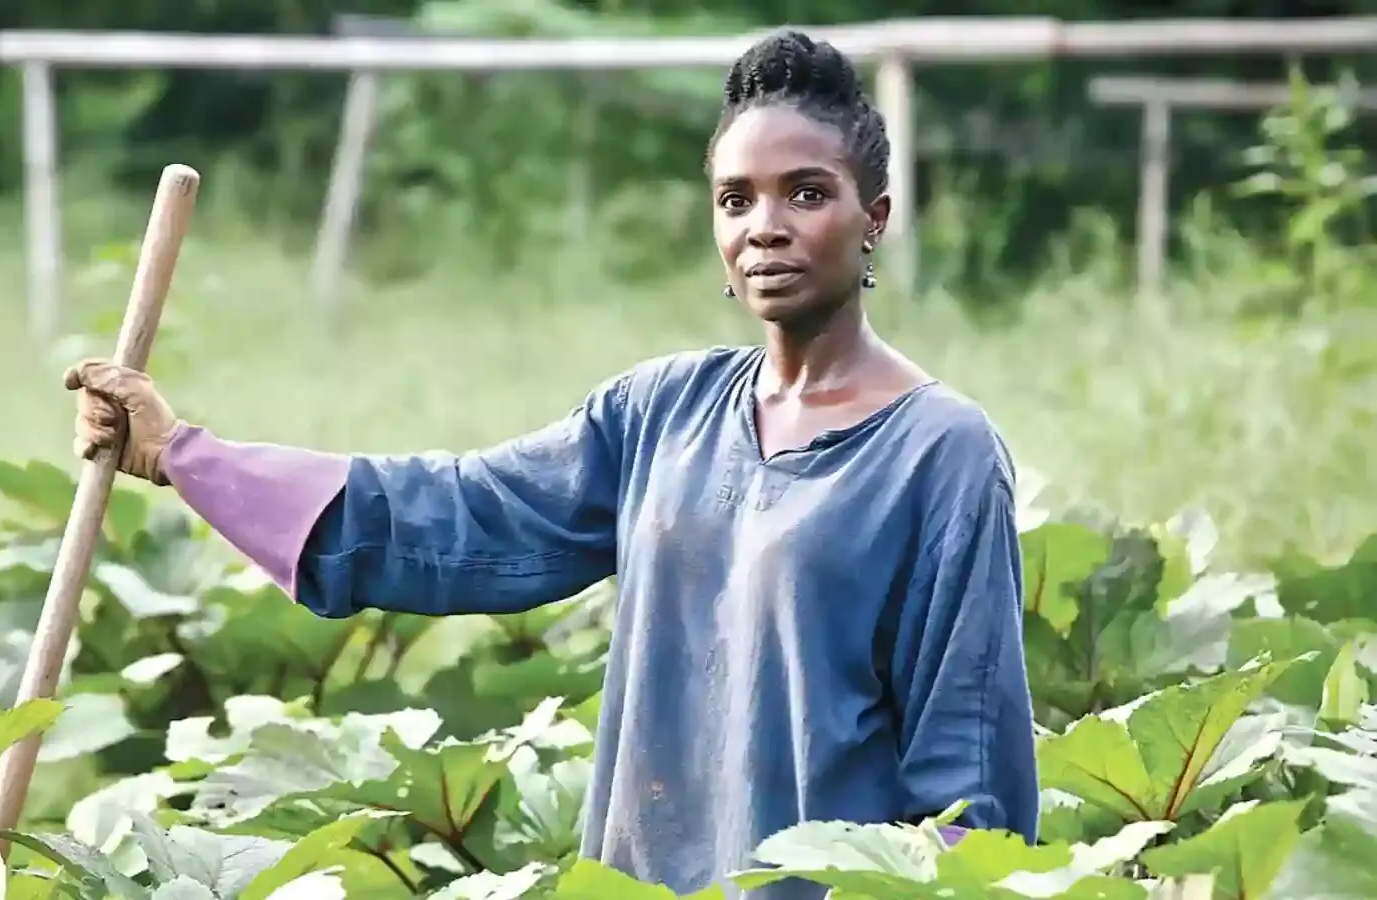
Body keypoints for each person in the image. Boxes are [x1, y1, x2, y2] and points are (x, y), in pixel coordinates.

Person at [64, 29, 1039, 900]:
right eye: (736, 199)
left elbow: (969, 784)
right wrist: (184, 456)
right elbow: (457, 515)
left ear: (875, 217)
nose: (765, 227)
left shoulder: (940, 455)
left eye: (807, 194)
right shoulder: (661, 414)